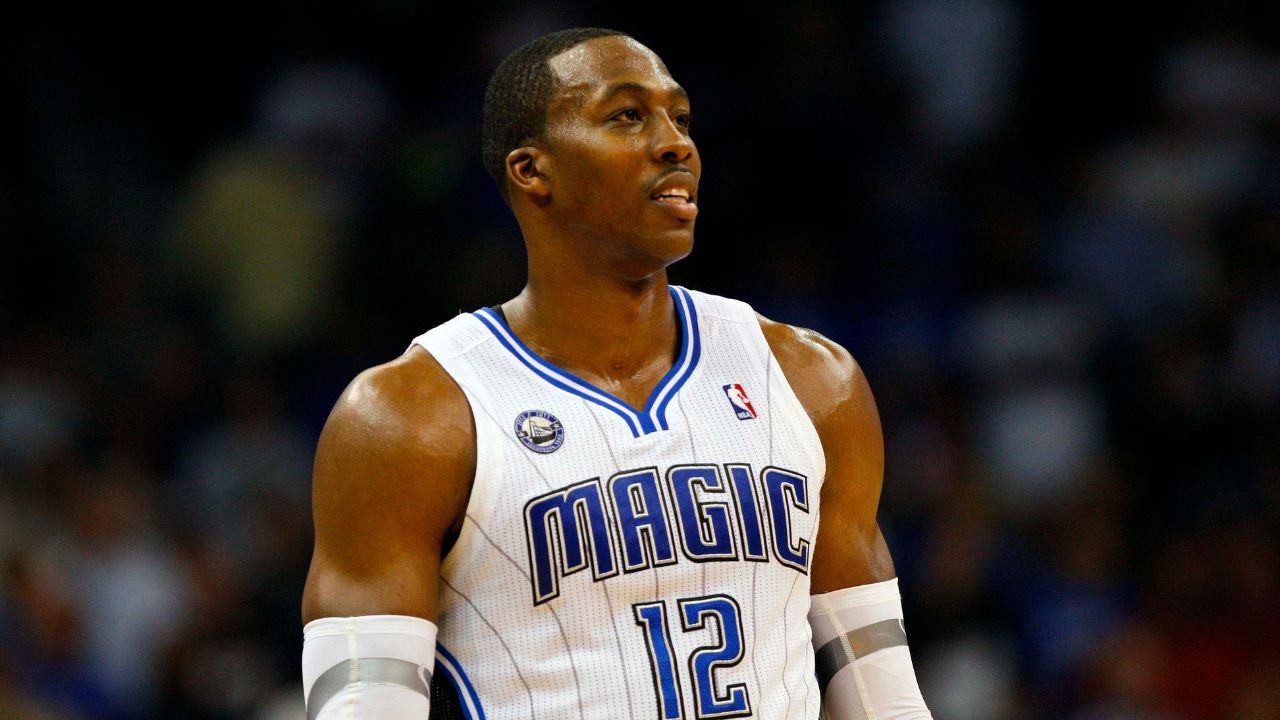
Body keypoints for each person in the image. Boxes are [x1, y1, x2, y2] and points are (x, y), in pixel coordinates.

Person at [301, 27, 934, 720]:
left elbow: (881, 694)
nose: (676, 144)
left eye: (681, 118)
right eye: (627, 116)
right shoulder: (408, 416)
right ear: (531, 170)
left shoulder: (814, 381)